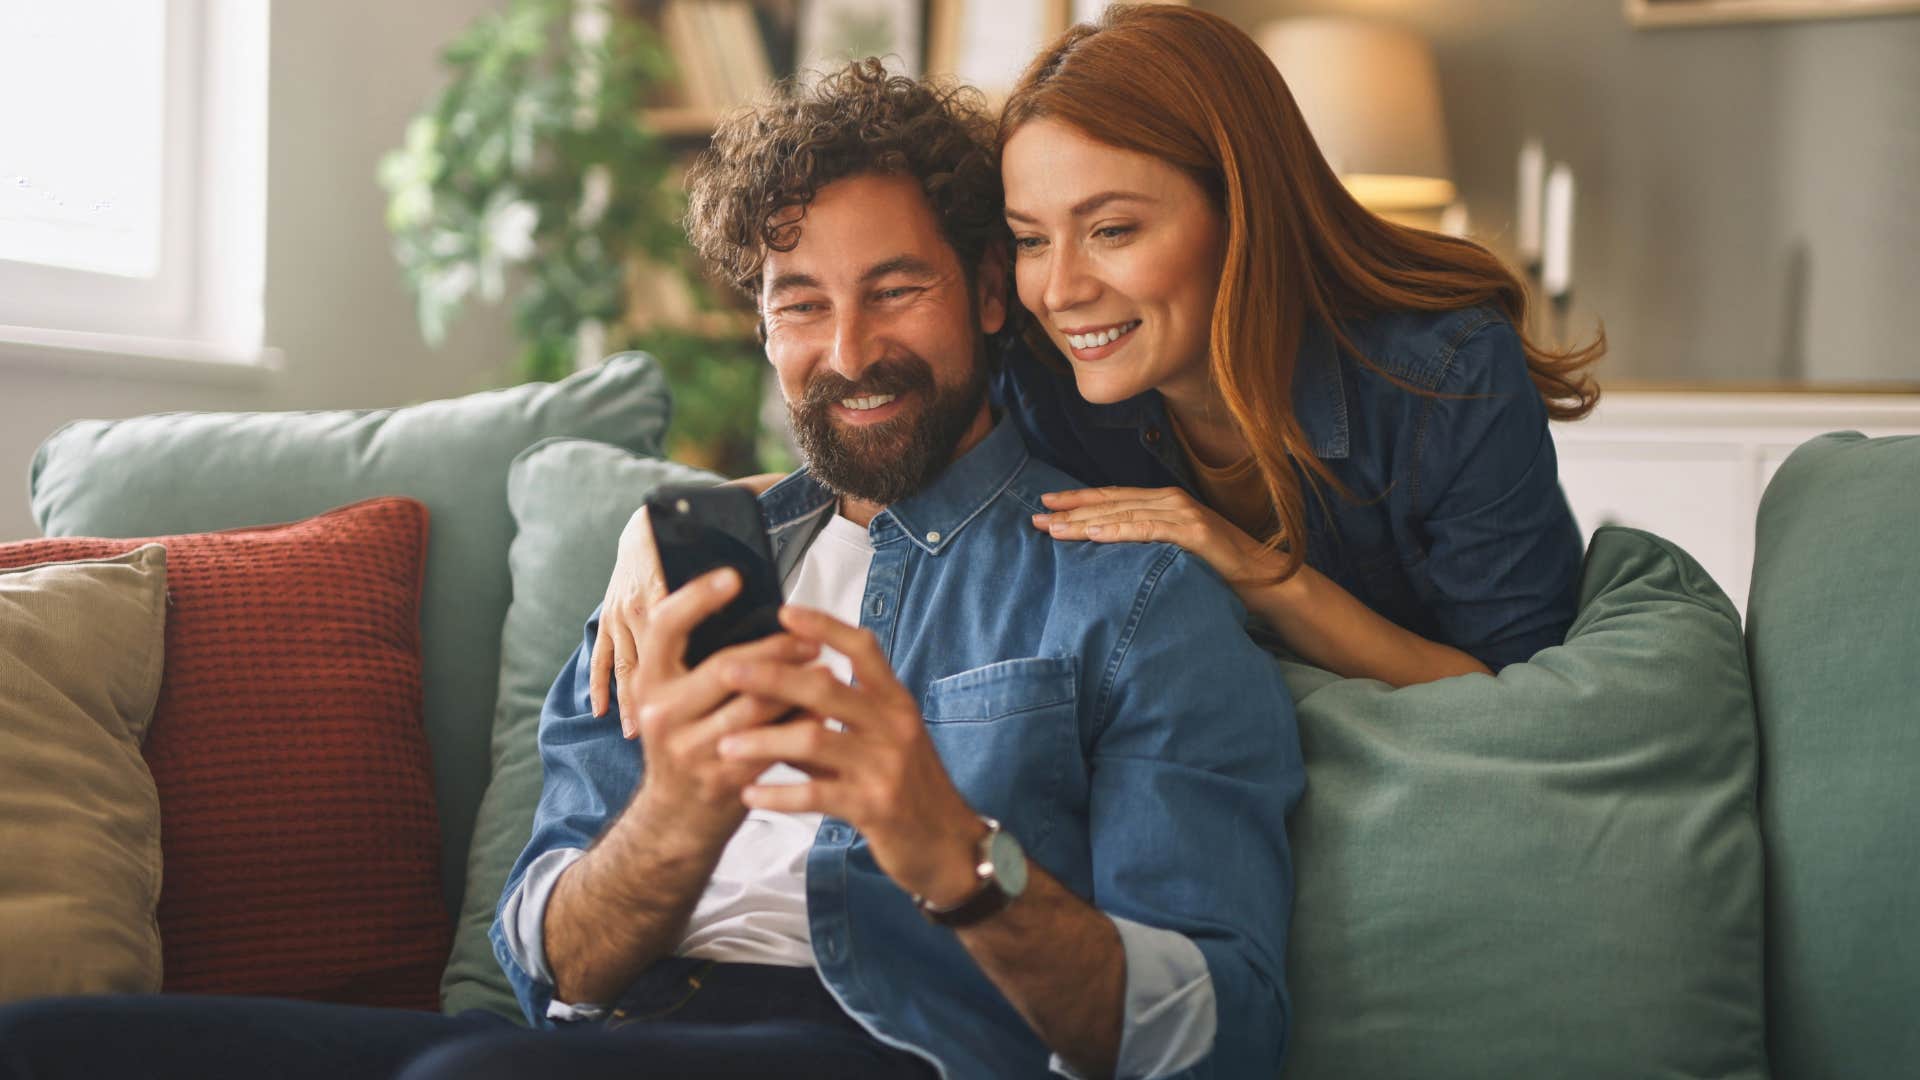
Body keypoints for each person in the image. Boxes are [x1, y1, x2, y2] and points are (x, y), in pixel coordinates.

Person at [0, 62, 1302, 1080]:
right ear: (759, 324)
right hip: (598, 1039)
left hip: (895, 1048)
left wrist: (952, 851)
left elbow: (1219, 1031)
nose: (848, 350)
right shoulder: (685, 565)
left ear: (987, 295)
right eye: (799, 303)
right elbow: (545, 964)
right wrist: (677, 808)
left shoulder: (1127, 586)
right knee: (50, 1046)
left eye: (895, 290)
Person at [588, 5, 1605, 714]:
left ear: (1240, 214)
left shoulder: (1444, 375)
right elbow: (882, 449)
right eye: (1031, 239)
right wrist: (668, 523)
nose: (1059, 288)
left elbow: (1522, 699)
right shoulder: (1045, 372)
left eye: (1111, 230)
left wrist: (1259, 573)